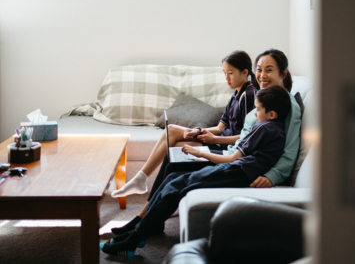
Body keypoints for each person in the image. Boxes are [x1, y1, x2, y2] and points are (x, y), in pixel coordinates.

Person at [110, 48, 302, 236]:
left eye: (269, 70)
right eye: (259, 69)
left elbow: (289, 150)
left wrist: (273, 176)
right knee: (172, 159)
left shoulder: (284, 104)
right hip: (233, 155)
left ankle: (145, 220)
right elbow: (239, 134)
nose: (262, 75)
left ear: (283, 73)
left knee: (174, 166)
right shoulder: (264, 97)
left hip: (239, 163)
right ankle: (145, 218)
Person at [100, 85, 292, 260]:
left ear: (272, 114)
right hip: (238, 169)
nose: (255, 113)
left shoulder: (264, 128)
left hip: (238, 171)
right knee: (174, 177)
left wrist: (200, 153)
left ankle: (132, 242)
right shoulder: (273, 127)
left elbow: (233, 159)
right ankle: (139, 233)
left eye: (258, 109)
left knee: (176, 187)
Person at [111, 50, 258, 198]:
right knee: (172, 130)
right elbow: (220, 128)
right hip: (219, 141)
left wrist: (214, 140)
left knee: (176, 147)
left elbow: (246, 137)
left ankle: (157, 195)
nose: (226, 77)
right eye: (224, 72)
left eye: (230, 73)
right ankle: (141, 179)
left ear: (244, 72)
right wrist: (199, 131)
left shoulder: (249, 95)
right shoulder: (235, 94)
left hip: (227, 148)